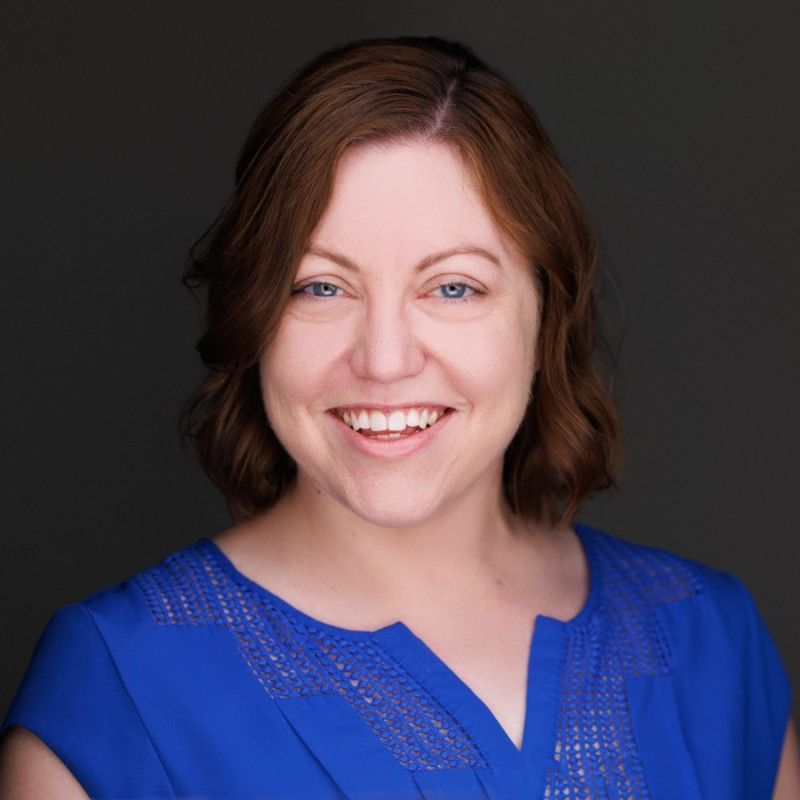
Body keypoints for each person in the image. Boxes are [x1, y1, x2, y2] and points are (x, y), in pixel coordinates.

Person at [0, 35, 797, 800]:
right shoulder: (115, 685)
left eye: (453, 287)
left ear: (545, 315)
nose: (383, 359)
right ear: (254, 317)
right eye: (319, 287)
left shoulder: (712, 643)